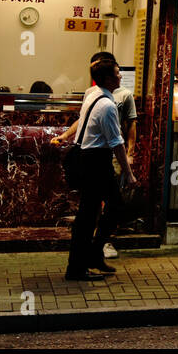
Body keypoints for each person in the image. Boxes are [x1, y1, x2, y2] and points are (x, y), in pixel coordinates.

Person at [53, 51, 140, 260]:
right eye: (118, 74)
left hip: (87, 157)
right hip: (96, 161)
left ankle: (90, 256)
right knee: (94, 213)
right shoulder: (108, 105)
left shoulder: (93, 94)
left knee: (94, 211)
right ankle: (83, 261)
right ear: (108, 79)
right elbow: (116, 142)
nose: (121, 77)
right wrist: (129, 173)